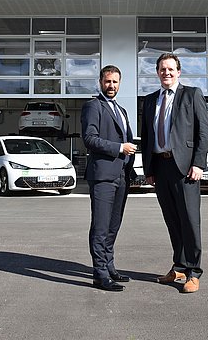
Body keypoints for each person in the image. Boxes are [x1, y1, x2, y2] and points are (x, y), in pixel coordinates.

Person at [141, 53, 208, 294]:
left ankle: (193, 272)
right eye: (162, 69)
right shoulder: (150, 100)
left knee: (190, 221)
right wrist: (148, 169)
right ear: (157, 72)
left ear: (178, 72)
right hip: (161, 167)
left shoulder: (192, 95)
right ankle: (179, 266)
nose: (166, 73)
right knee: (172, 220)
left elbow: (203, 132)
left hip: (186, 168)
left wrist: (199, 163)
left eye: (171, 69)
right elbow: (147, 137)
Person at [81, 65, 137, 292]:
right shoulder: (93, 106)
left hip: (122, 176)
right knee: (101, 227)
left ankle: (110, 266)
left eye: (115, 82)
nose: (111, 86)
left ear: (119, 83)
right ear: (100, 82)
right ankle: (100, 274)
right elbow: (90, 139)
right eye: (107, 82)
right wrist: (119, 147)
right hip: (103, 176)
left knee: (114, 226)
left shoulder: (121, 110)